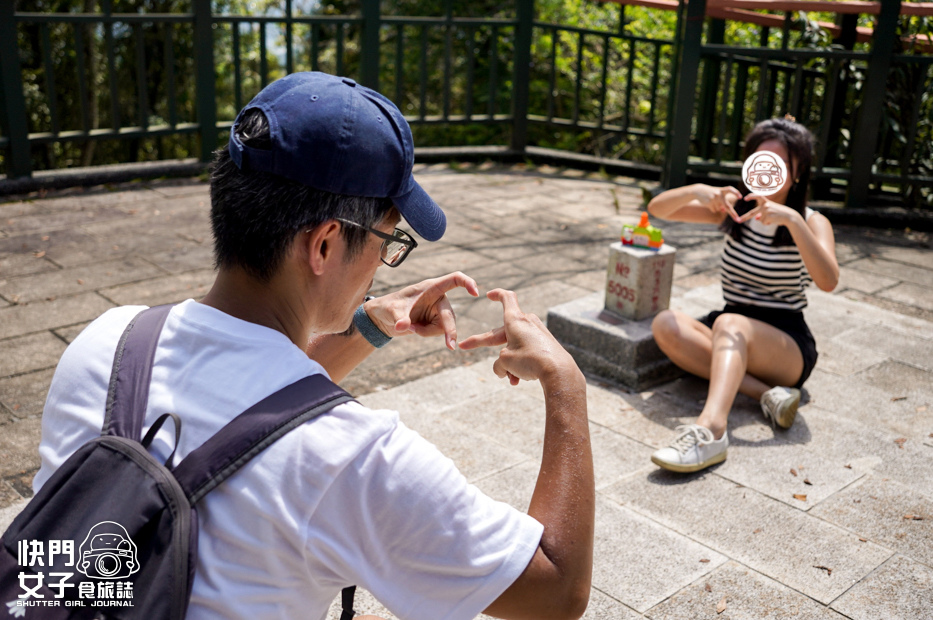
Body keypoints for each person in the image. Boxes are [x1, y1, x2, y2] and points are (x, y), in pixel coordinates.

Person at [33, 72, 594, 620]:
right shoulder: (354, 458)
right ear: (325, 244)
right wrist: (565, 383)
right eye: (388, 240)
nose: (384, 263)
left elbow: (250, 414)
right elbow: (555, 589)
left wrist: (369, 327)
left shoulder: (107, 339)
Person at [646, 117, 839, 473]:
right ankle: (764, 394)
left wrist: (793, 222)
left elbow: (828, 280)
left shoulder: (811, 221)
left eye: (779, 165)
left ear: (797, 174)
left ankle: (711, 431)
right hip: (730, 329)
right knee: (666, 324)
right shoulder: (735, 210)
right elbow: (656, 210)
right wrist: (696, 190)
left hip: (786, 344)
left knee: (729, 323)